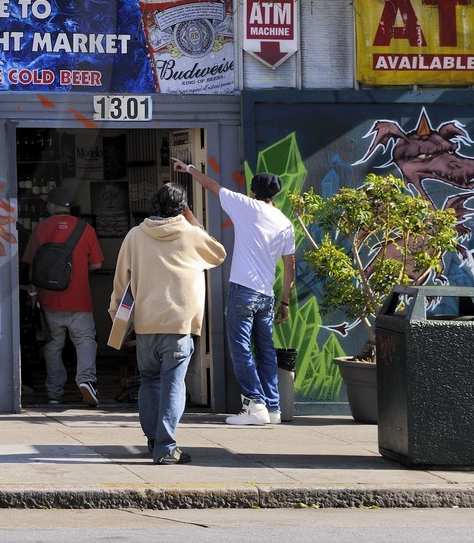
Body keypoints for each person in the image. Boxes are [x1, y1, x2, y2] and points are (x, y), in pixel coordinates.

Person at [109, 183, 226, 465]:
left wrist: (117, 317)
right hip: (179, 324)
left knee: (149, 381)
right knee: (173, 384)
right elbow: (218, 253)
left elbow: (120, 283)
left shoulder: (135, 236)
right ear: (183, 208)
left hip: (146, 323)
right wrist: (193, 219)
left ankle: (153, 439)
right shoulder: (191, 234)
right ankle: (165, 446)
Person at [173, 159, 296, 426]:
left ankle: (254, 404)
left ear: (253, 191)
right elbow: (290, 268)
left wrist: (189, 169)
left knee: (241, 348)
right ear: (275, 194)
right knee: (266, 350)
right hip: (267, 295)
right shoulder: (286, 223)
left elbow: (212, 185)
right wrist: (284, 301)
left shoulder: (246, 206)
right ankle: (273, 408)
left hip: (243, 290)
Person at [22, 185, 104, 406]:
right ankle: (86, 380)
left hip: (49, 301)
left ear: (50, 205)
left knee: (52, 347)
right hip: (79, 301)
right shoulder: (85, 229)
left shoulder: (40, 229)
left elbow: (30, 264)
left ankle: (54, 393)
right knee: (85, 341)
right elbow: (96, 264)